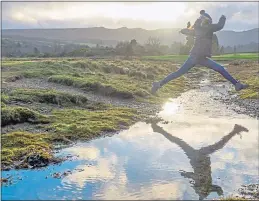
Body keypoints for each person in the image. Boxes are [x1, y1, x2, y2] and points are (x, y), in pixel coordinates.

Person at [151, 10, 249, 94]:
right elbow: (220, 26)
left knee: (178, 73)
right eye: (209, 20)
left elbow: (187, 31)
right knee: (220, 69)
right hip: (198, 58)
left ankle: (158, 84)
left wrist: (184, 29)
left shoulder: (197, 28)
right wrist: (223, 17)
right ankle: (237, 84)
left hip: (197, 57)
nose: (209, 22)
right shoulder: (208, 28)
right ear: (207, 21)